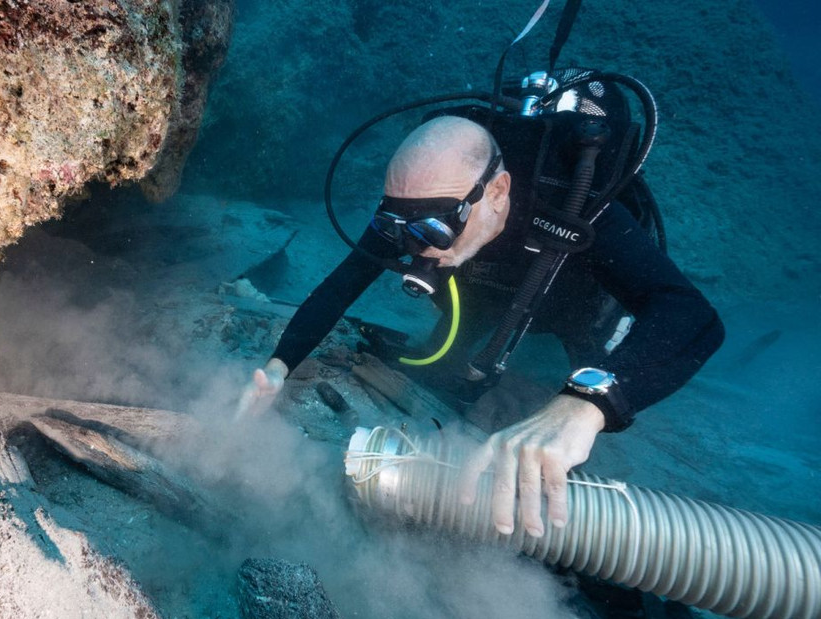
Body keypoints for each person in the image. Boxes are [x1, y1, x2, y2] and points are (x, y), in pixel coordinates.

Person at [237, 115, 724, 539]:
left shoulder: (575, 203)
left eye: (433, 230)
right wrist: (278, 367)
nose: (416, 248)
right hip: (485, 305)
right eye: (397, 230)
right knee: (449, 374)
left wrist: (589, 402)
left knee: (567, 437)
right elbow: (340, 285)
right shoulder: (416, 208)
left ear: (497, 191)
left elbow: (693, 317)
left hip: (574, 310)